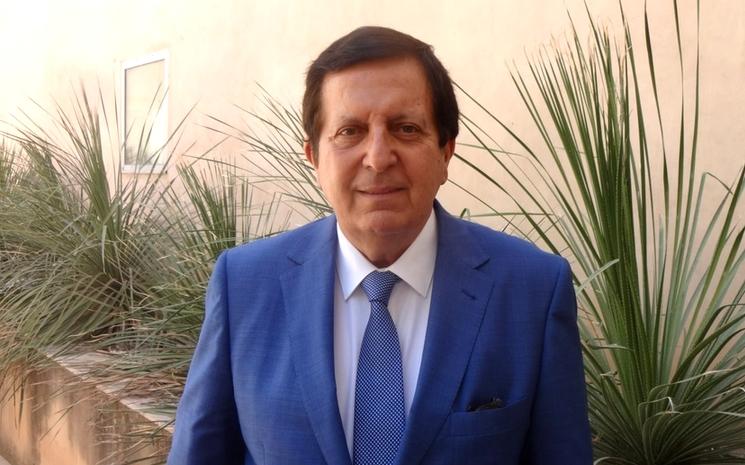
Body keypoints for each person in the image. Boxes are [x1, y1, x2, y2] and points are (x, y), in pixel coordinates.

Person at [167, 26, 592, 465]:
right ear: (314, 158)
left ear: (445, 152)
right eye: (349, 131)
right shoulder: (243, 286)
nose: (378, 157)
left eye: (406, 128)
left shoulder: (532, 290)